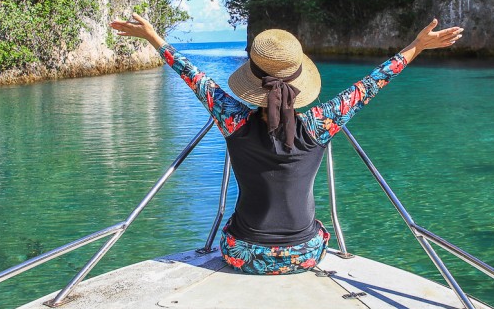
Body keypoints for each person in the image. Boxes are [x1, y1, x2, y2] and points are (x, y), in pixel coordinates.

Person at [109, 14, 463, 275]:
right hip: (304, 254)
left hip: (242, 255)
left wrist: (154, 38)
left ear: (253, 79)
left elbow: (193, 76)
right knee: (316, 225)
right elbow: (371, 84)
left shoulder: (233, 120)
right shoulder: (320, 124)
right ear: (299, 80)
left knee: (234, 222)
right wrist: (417, 45)